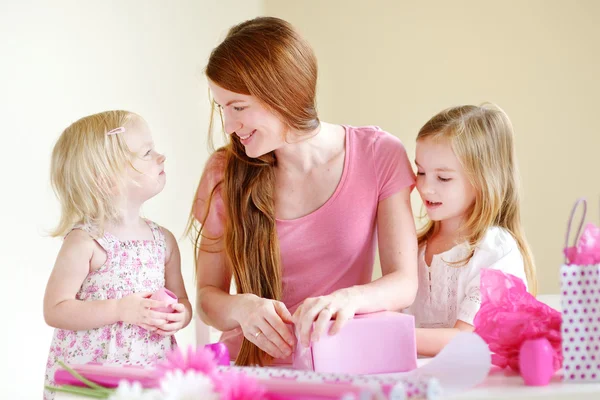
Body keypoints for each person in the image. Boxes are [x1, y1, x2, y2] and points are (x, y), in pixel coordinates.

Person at [188, 16, 418, 367]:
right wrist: (241, 307)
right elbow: (207, 298)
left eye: (238, 107)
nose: (229, 126)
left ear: (282, 94)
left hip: (337, 369)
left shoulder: (379, 154)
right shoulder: (223, 171)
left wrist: (348, 300)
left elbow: (403, 282)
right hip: (248, 374)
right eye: (222, 108)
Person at [43, 110, 192, 399]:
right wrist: (120, 309)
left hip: (150, 375)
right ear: (106, 180)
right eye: (147, 152)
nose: (161, 157)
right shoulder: (86, 242)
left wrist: (181, 315)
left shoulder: (164, 241)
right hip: (92, 380)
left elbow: (182, 300)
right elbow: (55, 308)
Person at [404, 104, 537, 356]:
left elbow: (467, 341)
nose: (425, 187)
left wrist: (386, 334)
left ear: (483, 181)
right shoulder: (416, 246)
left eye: (443, 178)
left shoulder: (495, 249)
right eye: (420, 171)